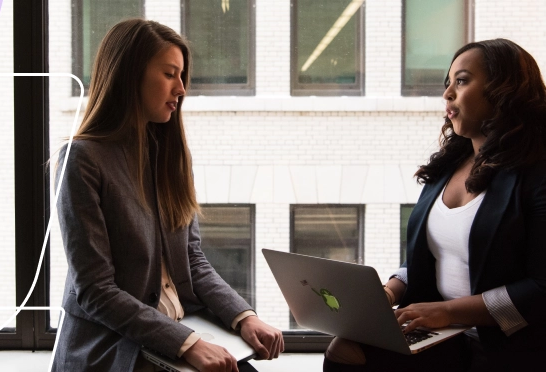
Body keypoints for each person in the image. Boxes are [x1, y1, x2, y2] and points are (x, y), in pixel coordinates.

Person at [51, 18, 284, 371]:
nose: (181, 89)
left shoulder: (169, 158)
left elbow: (192, 261)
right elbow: (95, 291)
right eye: (169, 74)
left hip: (179, 327)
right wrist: (186, 344)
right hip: (115, 343)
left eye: (182, 75)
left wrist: (243, 316)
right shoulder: (81, 160)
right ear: (130, 75)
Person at [324, 38, 546, 371]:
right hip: (446, 337)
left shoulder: (537, 173)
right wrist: (386, 294)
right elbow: (428, 258)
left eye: (462, 80)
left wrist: (448, 311)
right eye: (447, 84)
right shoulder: (447, 168)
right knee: (344, 352)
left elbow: (542, 288)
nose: (448, 94)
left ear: (504, 90)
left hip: (509, 347)